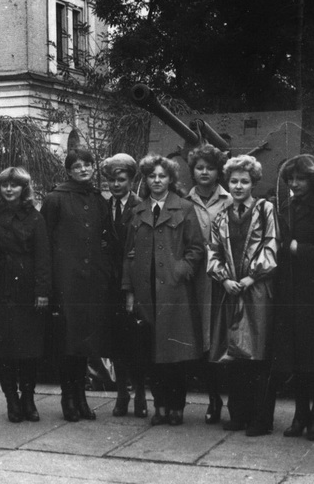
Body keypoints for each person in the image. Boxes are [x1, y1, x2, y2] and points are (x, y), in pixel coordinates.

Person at [122, 155, 205, 426]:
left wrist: (180, 270)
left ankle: (176, 407)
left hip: (174, 292)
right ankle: (159, 406)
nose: (157, 181)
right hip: (147, 293)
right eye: (152, 176)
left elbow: (196, 248)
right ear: (146, 180)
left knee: (174, 354)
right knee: (152, 354)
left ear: (170, 179)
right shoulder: (138, 212)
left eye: (162, 176)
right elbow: (129, 255)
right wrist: (130, 291)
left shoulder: (184, 207)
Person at [40, 148, 114, 422]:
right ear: (69, 170)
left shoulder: (98, 199)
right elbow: (44, 243)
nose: (83, 169)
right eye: (77, 165)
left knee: (86, 342)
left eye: (88, 164)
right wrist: (49, 283)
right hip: (66, 282)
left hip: (92, 283)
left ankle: (81, 398)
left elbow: (105, 238)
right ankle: (68, 397)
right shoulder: (55, 199)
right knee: (67, 341)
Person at [208, 155, 279, 436]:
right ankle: (238, 415)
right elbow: (213, 251)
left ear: (253, 183)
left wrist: (252, 277)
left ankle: (261, 419)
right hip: (231, 291)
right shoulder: (222, 216)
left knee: (258, 354)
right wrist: (224, 278)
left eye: (244, 181)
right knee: (234, 354)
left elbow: (271, 245)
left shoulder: (265, 209)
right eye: (234, 181)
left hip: (257, 290)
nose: (238, 186)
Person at [272, 154, 314, 441]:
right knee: (297, 356)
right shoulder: (286, 208)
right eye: (290, 179)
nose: (294, 183)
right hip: (290, 290)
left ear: (313, 179)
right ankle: (300, 414)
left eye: (300, 178)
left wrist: (298, 249)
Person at [0, 167, 51, 423]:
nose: (9, 189)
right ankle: (12, 400)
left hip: (27, 289)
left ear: (24, 188)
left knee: (29, 348)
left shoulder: (35, 217)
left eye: (15, 185)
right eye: (4, 185)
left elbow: (43, 257)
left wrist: (42, 292)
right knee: (4, 348)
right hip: (0, 287)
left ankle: (28, 399)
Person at [183, 143, 231, 425]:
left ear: (218, 172)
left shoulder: (228, 199)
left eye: (210, 168)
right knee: (202, 338)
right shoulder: (184, 201)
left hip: (223, 277)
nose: (204, 172)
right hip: (196, 277)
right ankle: (213, 398)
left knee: (223, 336)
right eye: (199, 168)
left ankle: (232, 398)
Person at [100, 153, 147, 419]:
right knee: (117, 342)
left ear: (131, 180)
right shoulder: (103, 207)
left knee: (137, 343)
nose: (116, 185)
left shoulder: (140, 207)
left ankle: (140, 394)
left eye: (121, 179)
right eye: (111, 180)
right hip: (110, 284)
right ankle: (122, 394)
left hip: (133, 282)